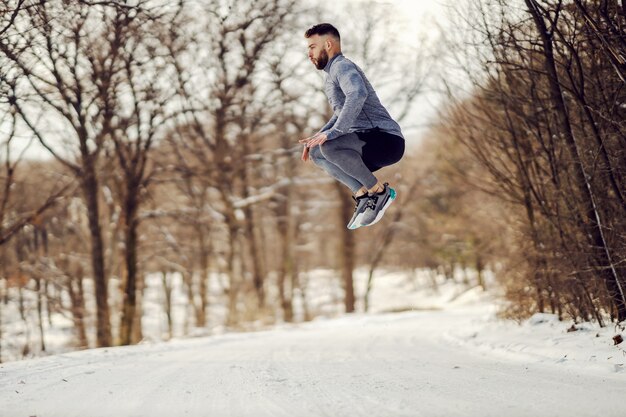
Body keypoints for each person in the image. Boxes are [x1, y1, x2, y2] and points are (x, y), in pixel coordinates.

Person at [299, 23, 405, 229]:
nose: (309, 53)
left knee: (330, 146)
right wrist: (319, 136)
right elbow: (340, 112)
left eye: (312, 47)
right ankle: (363, 195)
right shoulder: (330, 75)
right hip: (367, 143)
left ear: (328, 44)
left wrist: (334, 133)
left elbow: (357, 94)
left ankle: (379, 192)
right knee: (317, 152)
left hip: (385, 139)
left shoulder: (342, 66)